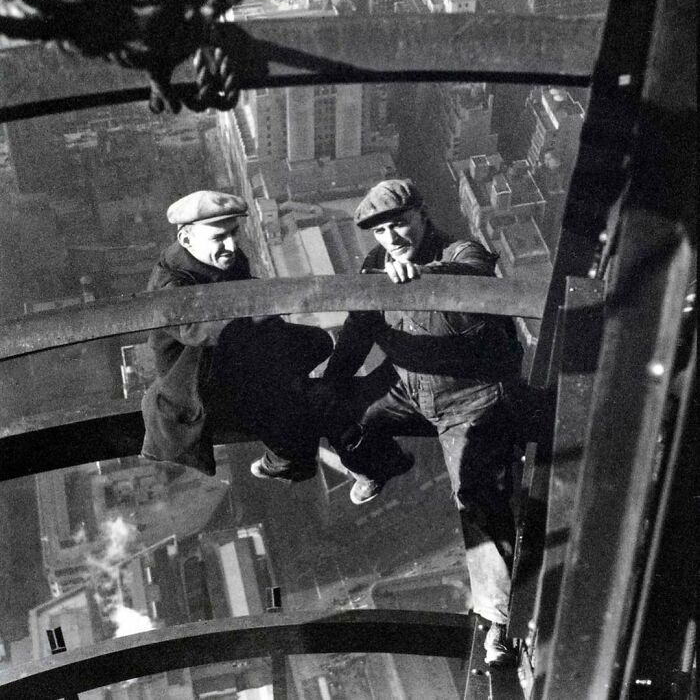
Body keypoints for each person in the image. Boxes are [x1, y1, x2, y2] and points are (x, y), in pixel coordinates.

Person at [319, 178, 524, 667]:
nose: (392, 238)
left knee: (475, 498)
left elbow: (471, 273)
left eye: (400, 224)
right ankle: (380, 463)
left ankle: (498, 621)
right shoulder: (375, 267)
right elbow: (358, 331)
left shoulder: (460, 251)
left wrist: (424, 274)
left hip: (470, 395)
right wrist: (331, 385)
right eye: (381, 230)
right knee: (332, 412)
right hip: (405, 385)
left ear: (423, 216)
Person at [140, 189, 410, 489]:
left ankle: (309, 452)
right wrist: (271, 308)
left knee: (318, 343)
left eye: (234, 233)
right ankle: (294, 459)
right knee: (306, 399)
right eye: (219, 237)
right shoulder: (171, 287)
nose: (231, 245)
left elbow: (247, 294)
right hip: (202, 383)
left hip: (237, 352)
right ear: (187, 240)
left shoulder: (220, 257)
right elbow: (206, 331)